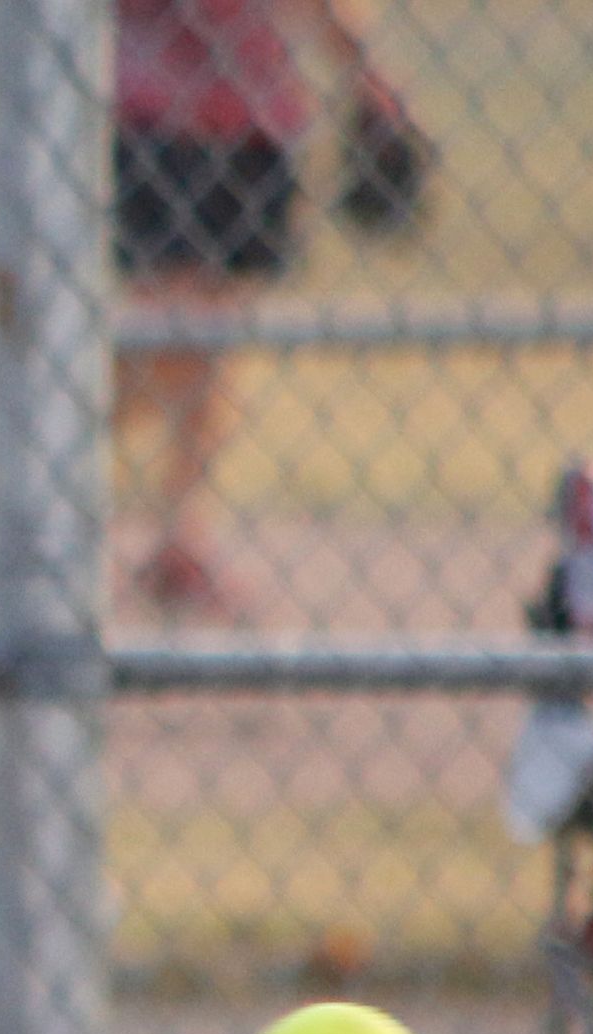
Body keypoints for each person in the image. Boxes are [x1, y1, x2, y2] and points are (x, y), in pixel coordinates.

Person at [111, 0, 406, 618]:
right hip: (159, 119)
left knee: (215, 343)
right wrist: (366, 72)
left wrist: (368, 78)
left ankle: (182, 539)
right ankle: (51, 435)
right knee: (178, 335)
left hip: (253, 124)